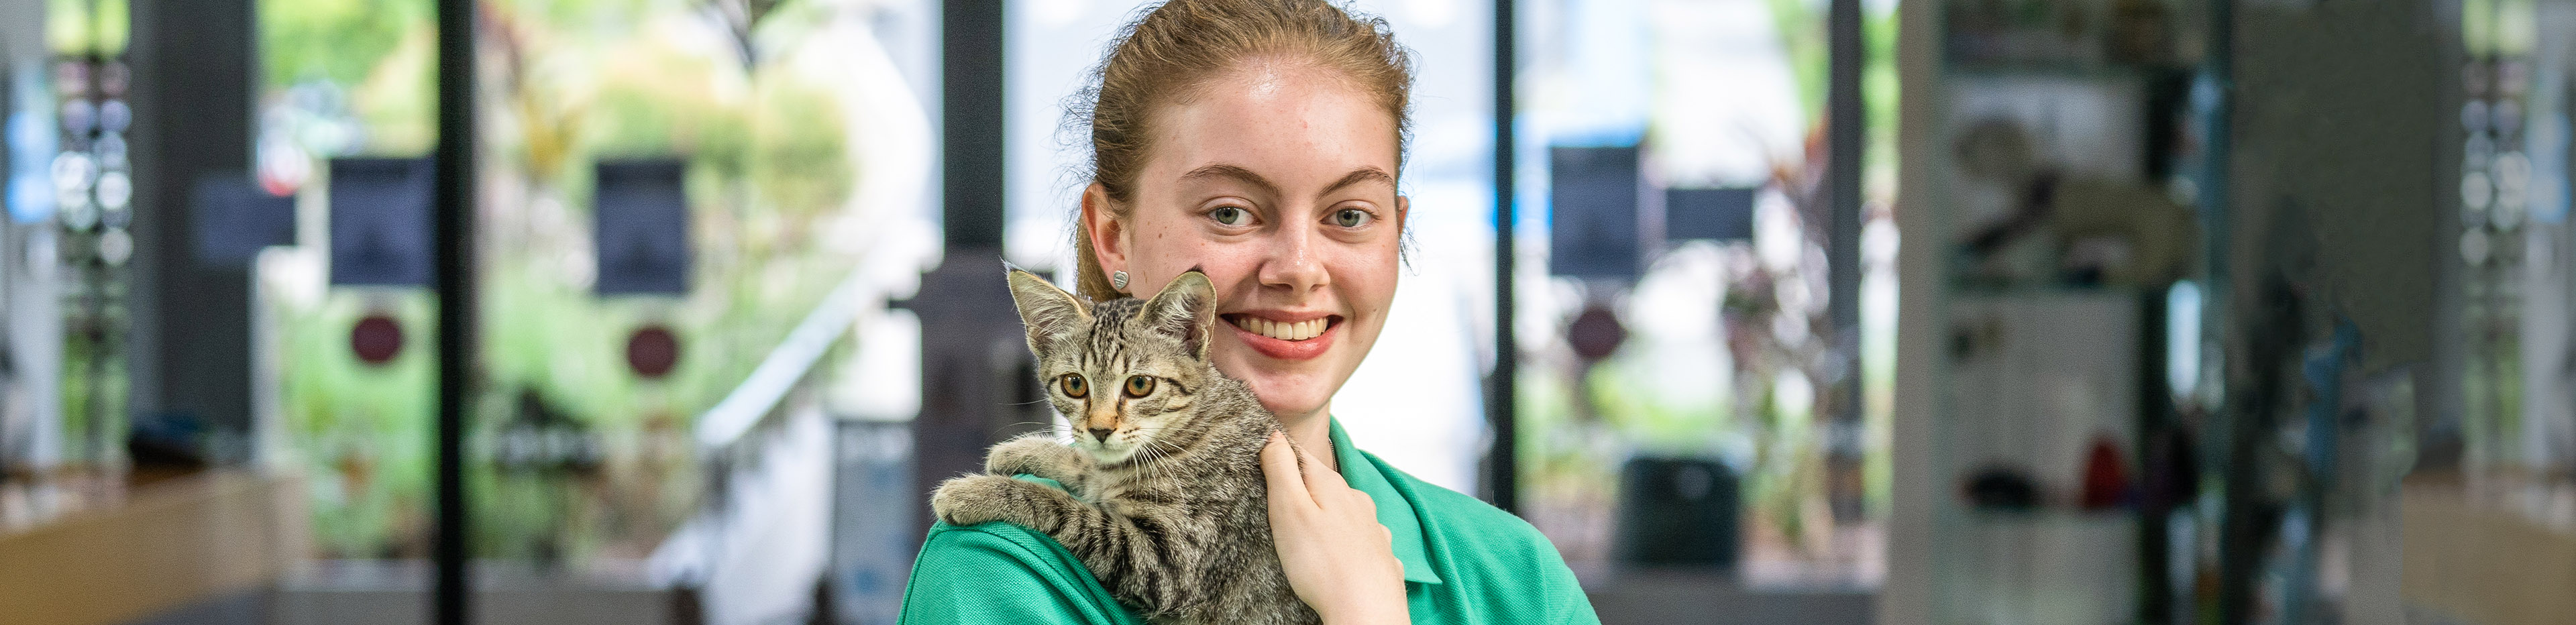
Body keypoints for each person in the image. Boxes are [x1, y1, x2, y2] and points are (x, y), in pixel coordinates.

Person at [898, 0, 1598, 622]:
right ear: (1111, 234)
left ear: (1397, 230)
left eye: (1350, 213)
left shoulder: (1516, 576)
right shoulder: (1002, 572)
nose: (1298, 267)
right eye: (1230, 211)